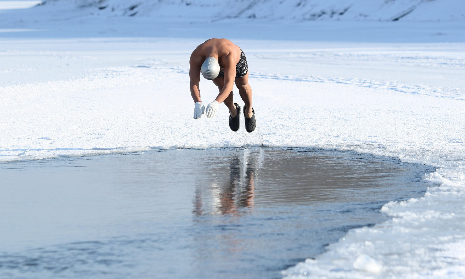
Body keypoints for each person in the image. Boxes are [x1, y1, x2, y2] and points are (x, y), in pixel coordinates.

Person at [189, 38, 256, 133]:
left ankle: (249, 111)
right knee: (221, 87)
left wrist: (216, 103)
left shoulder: (228, 54)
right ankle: (233, 111)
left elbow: (229, 84)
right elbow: (193, 83)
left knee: (242, 84)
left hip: (235, 59)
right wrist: (197, 102)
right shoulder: (196, 56)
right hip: (216, 62)